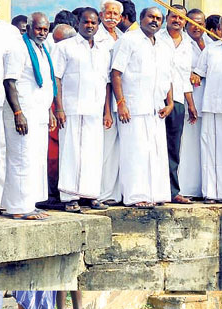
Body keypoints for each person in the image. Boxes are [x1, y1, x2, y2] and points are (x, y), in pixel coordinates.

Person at [110, 6, 173, 208]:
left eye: (158, 18)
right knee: (135, 152)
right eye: (150, 17)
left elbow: (167, 76)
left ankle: (156, 194)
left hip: (156, 107)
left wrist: (169, 102)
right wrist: (121, 103)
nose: (154, 21)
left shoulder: (162, 45)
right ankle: (136, 196)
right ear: (141, 18)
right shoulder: (128, 40)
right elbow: (116, 73)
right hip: (133, 106)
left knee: (155, 152)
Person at [0, 12, 56, 220]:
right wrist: (17, 112)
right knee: (21, 159)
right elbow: (9, 82)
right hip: (22, 112)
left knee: (34, 159)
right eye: (39, 29)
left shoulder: (42, 49)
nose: (42, 33)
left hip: (38, 112)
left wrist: (49, 110)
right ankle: (18, 208)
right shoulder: (18, 47)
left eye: (45, 29)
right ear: (30, 28)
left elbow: (46, 83)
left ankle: (28, 204)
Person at [53, 7, 109, 212]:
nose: (90, 26)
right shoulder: (65, 47)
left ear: (98, 24)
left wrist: (107, 111)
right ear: (78, 23)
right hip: (71, 109)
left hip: (95, 110)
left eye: (94, 23)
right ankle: (69, 198)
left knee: (93, 154)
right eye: (86, 22)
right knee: (71, 153)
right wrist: (59, 108)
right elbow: (56, 79)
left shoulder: (104, 50)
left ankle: (91, 195)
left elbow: (107, 82)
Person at [193, 11, 222, 203]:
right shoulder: (210, 50)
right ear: (219, 28)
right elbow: (198, 74)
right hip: (211, 106)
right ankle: (210, 193)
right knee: (210, 152)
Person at [156, 4, 195, 204]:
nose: (177, 20)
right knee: (154, 145)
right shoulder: (157, 39)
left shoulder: (188, 43)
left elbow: (184, 77)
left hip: (178, 100)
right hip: (157, 99)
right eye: (174, 16)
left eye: (181, 18)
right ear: (167, 18)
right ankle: (153, 190)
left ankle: (172, 191)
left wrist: (191, 104)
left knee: (173, 147)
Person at [41, 22, 76, 211]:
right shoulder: (51, 51)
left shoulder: (70, 52)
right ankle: (51, 194)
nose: (56, 45)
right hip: (54, 106)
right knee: (51, 153)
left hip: (68, 106)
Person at [177, 7, 208, 199]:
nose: (197, 27)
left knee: (200, 147)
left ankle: (199, 188)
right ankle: (184, 187)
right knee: (185, 146)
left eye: (201, 23)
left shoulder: (210, 43)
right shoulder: (184, 44)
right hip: (188, 100)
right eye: (193, 22)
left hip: (206, 101)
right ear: (187, 24)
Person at [96, 0, 124, 206]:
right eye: (109, 12)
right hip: (103, 99)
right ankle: (98, 192)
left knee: (116, 150)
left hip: (120, 100)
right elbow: (106, 78)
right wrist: (107, 110)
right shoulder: (96, 37)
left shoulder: (123, 38)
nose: (112, 16)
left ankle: (112, 193)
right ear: (101, 14)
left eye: (116, 14)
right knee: (103, 149)